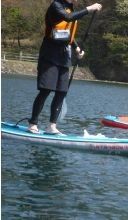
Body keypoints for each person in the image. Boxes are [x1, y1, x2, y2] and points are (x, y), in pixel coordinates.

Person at [28, 0, 102, 134]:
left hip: (63, 57)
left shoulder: (70, 8)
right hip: (49, 55)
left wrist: (76, 48)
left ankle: (52, 126)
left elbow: (67, 33)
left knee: (62, 92)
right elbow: (68, 18)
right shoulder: (56, 6)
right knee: (46, 90)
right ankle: (33, 123)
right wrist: (89, 9)